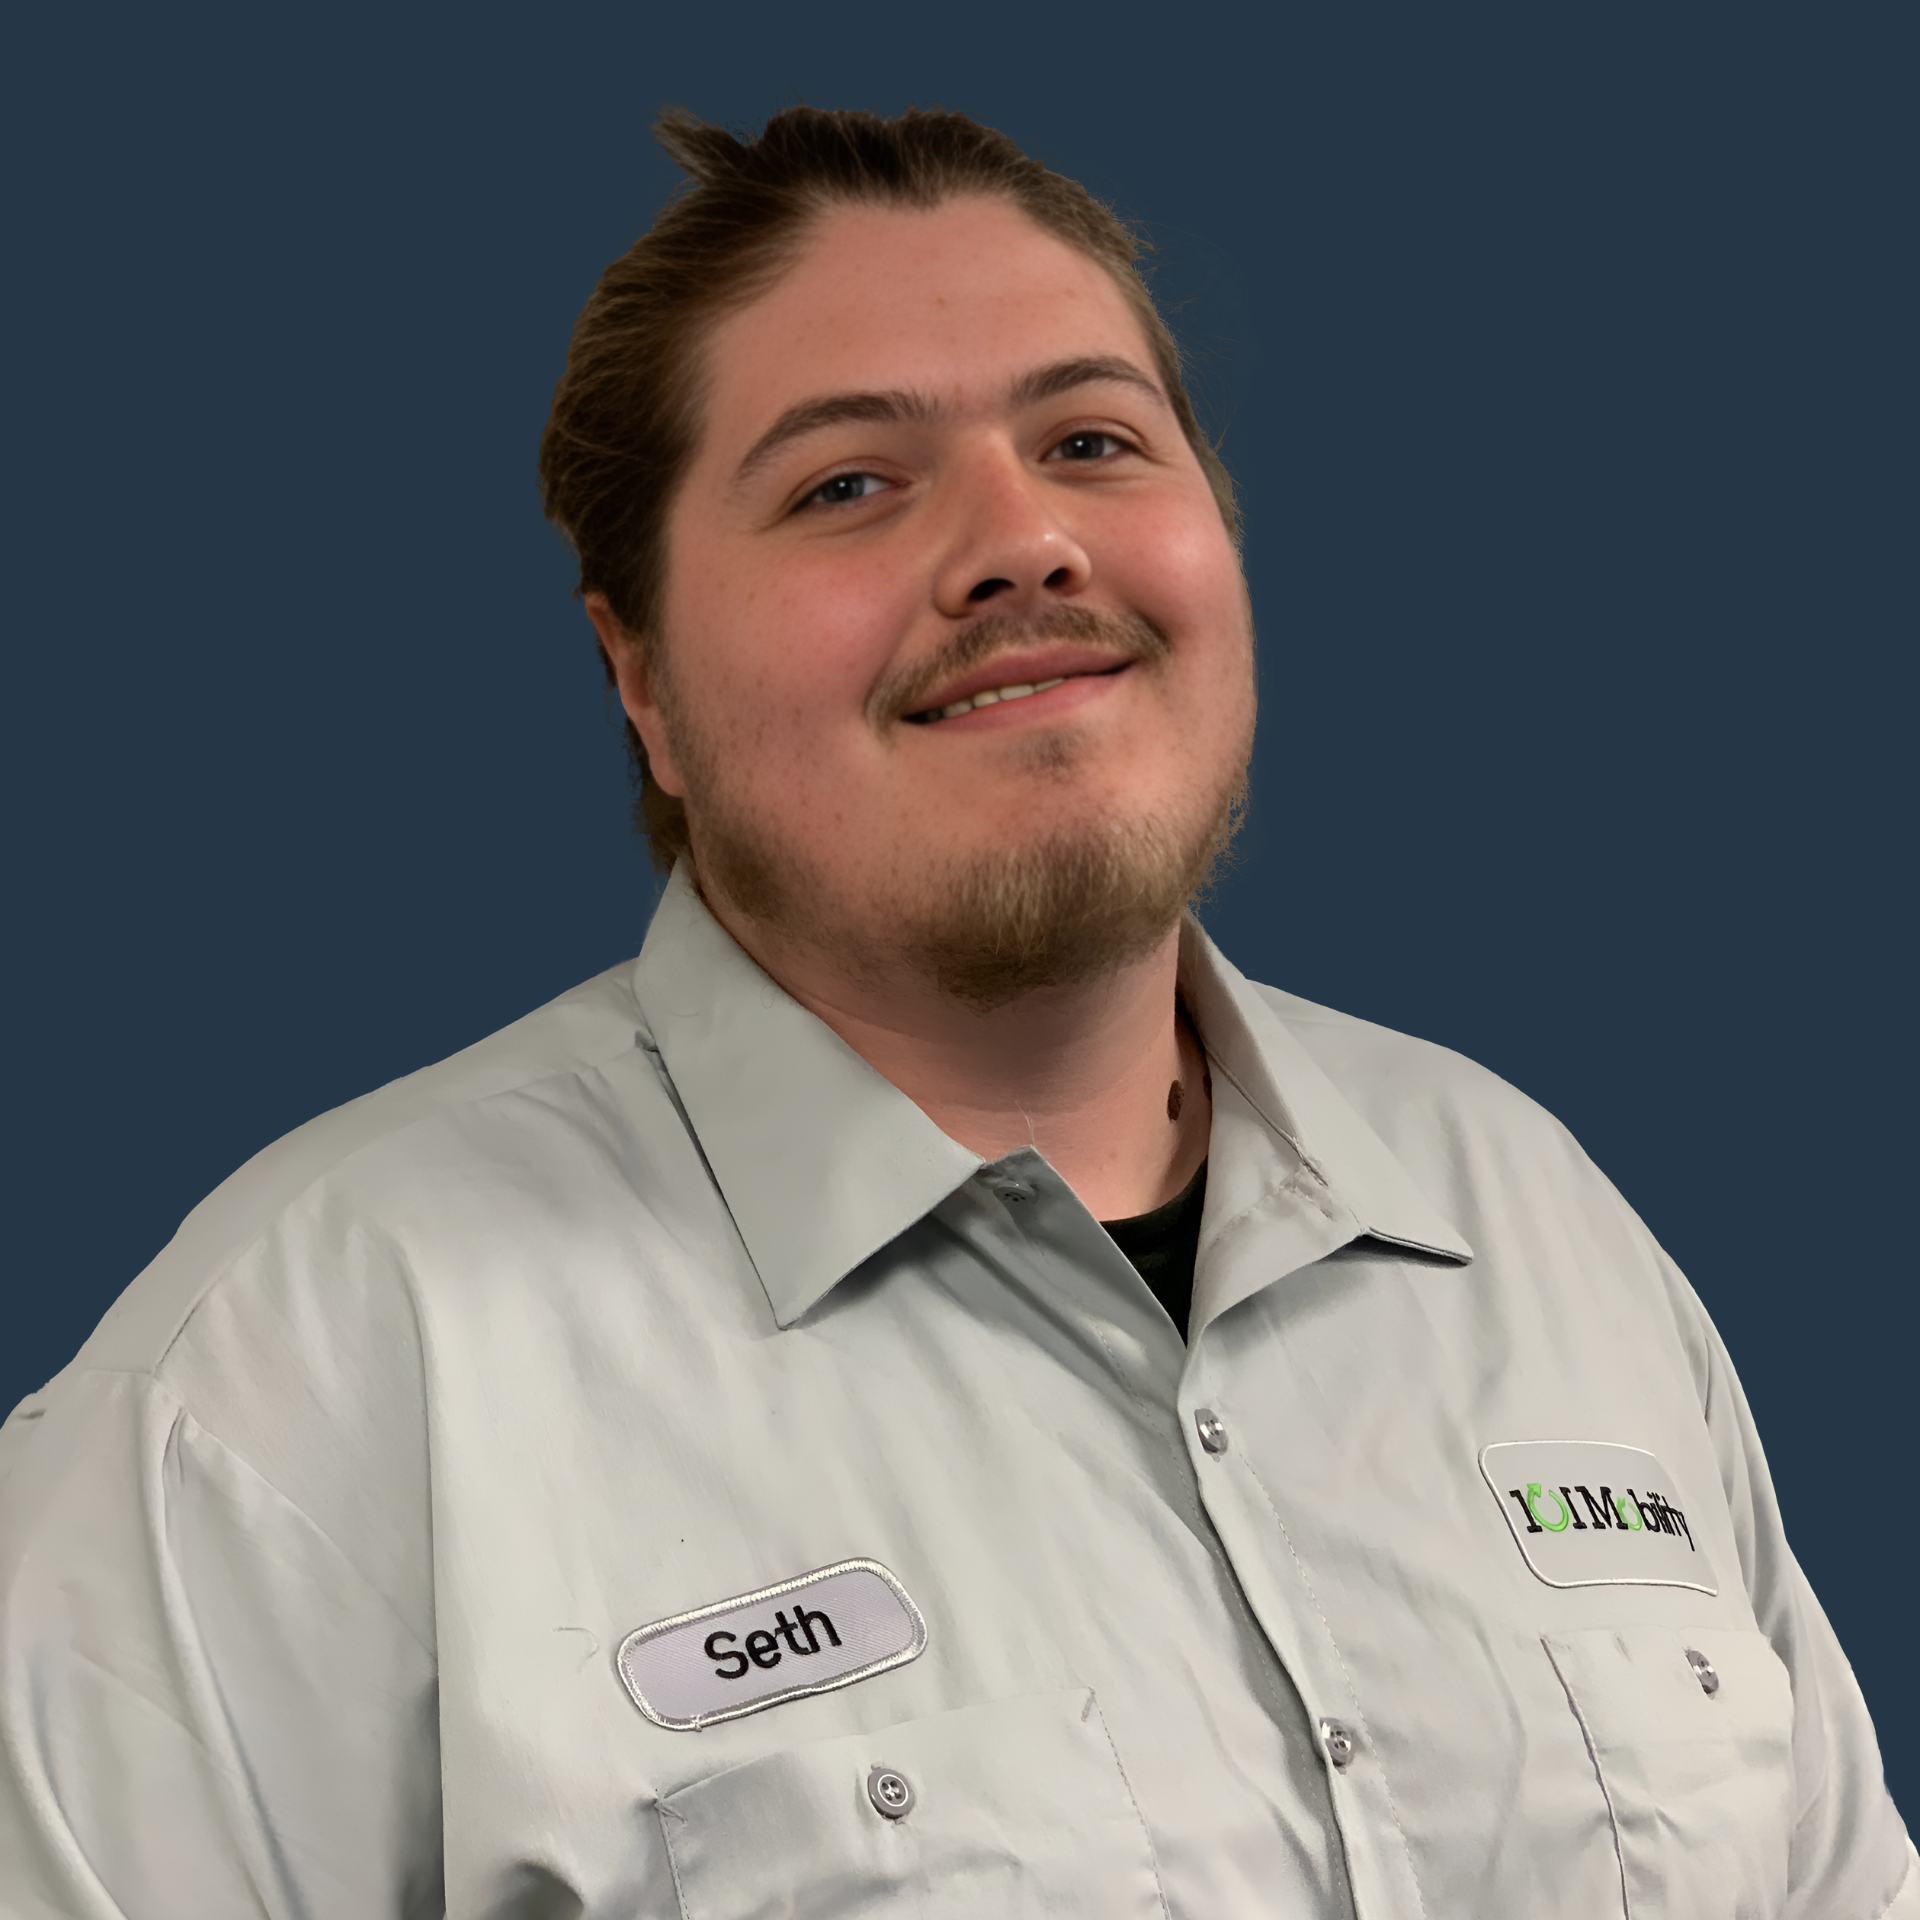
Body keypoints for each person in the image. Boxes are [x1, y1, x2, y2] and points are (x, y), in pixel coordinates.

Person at [0, 104, 1909, 1920]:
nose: (1024, 542)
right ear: (639, 674)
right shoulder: (290, 1386)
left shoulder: (1538, 1226)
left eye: (1094, 442)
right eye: (850, 483)